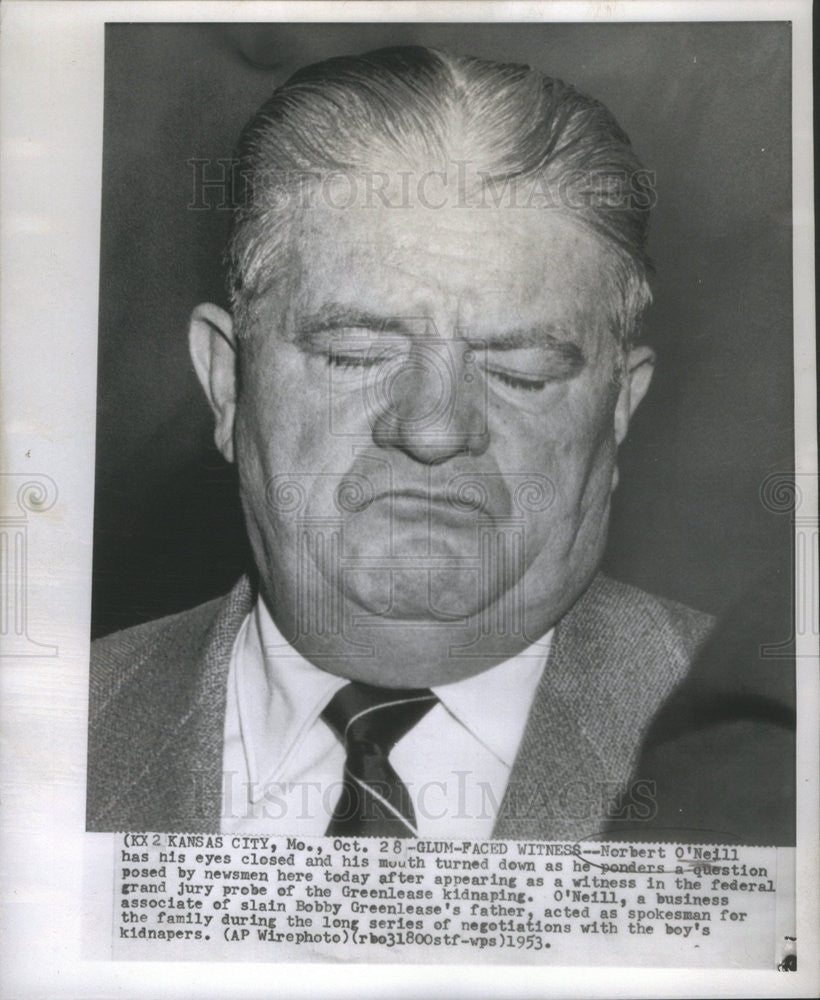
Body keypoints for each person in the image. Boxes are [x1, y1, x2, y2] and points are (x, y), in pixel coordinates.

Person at [87, 46, 716, 839]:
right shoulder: (46, 733)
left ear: (618, 410)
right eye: (356, 355)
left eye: (519, 371)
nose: (433, 427)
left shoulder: (774, 742)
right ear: (228, 383)